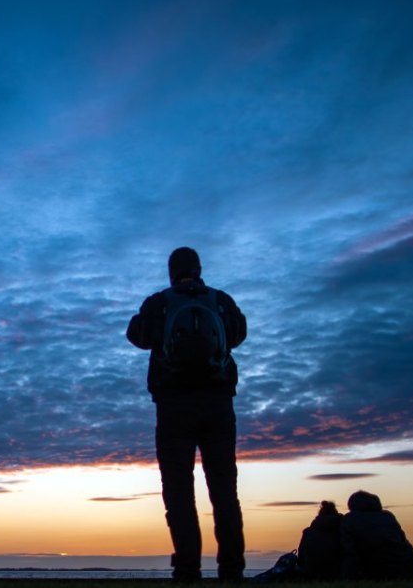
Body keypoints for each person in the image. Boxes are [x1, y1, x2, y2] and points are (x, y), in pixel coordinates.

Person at [126, 247, 248, 583]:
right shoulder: (221, 300)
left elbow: (136, 335)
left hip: (173, 406)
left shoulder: (159, 302)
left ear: (172, 271)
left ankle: (187, 570)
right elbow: (238, 334)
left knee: (178, 491)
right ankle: (232, 570)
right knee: (224, 490)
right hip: (218, 404)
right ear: (199, 268)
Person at [340, 490, 413, 580]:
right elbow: (402, 539)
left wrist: (348, 578)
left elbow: (350, 552)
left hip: (378, 569)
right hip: (408, 567)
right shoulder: (388, 516)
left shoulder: (349, 519)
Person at [297, 501, 344, 580]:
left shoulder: (308, 532)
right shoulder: (344, 531)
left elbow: (301, 557)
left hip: (311, 573)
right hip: (337, 572)